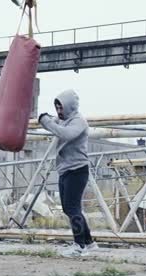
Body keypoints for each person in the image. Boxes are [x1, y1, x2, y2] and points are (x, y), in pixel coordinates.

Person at [38, 89, 98, 257]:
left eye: (61, 108)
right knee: (68, 208)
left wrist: (47, 122)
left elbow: (65, 134)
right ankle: (89, 243)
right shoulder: (63, 119)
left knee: (72, 208)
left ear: (69, 106)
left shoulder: (79, 121)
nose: (58, 111)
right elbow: (53, 123)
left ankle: (79, 246)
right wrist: (45, 118)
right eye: (56, 108)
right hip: (65, 169)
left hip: (77, 169)